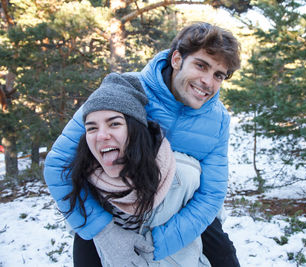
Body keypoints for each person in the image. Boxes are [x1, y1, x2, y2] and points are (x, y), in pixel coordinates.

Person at [44, 21, 241, 266]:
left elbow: (211, 194)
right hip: (113, 207)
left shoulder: (217, 120)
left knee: (226, 259)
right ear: (177, 59)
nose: (207, 82)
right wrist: (104, 232)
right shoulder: (123, 90)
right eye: (201, 66)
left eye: (218, 75)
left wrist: (157, 243)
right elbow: (58, 165)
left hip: (179, 207)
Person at [63, 76, 210, 266]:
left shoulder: (184, 174)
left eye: (114, 124)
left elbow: (215, 240)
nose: (101, 136)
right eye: (92, 128)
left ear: (135, 129)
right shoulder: (81, 186)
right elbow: (84, 248)